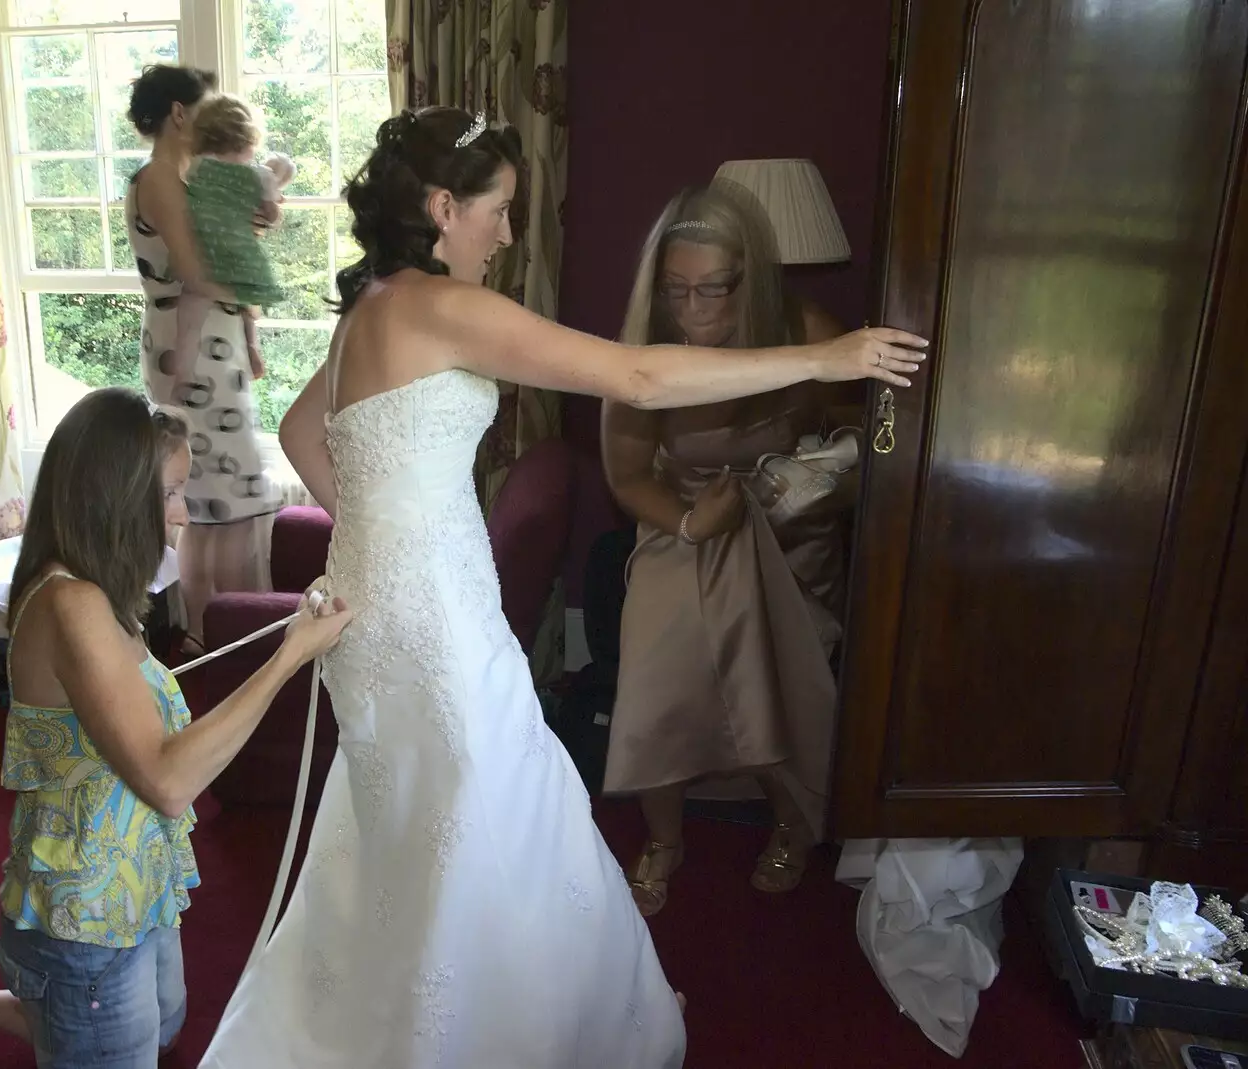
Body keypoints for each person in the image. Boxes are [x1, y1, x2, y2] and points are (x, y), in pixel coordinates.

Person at [198, 107, 924, 1067]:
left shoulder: (372, 305)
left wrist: (382, 534)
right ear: (441, 206)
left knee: (416, 828)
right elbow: (635, 373)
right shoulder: (442, 306)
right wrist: (827, 357)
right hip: (438, 627)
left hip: (374, 618)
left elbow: (301, 436)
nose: (507, 233)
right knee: (488, 820)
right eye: (496, 211)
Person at [0, 387, 350, 1068]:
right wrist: (291, 654)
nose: (182, 514)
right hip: (87, 920)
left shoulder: (97, 590)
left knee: (156, 1027)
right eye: (170, 493)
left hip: (130, 888)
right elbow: (169, 780)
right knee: (103, 1030)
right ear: (117, 496)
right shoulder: (73, 602)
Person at [600, 181, 860, 913]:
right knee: (657, 665)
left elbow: (864, 437)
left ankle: (790, 815)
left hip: (787, 537)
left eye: (712, 289)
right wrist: (687, 525)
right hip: (682, 524)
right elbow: (626, 476)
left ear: (752, 279)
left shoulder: (805, 329)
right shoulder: (643, 354)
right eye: (676, 291)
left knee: (766, 674)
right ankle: (664, 836)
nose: (693, 310)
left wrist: (822, 479)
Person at [124, 64, 281, 657]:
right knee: (225, 499)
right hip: (193, 358)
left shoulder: (189, 181)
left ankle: (214, 634)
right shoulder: (159, 179)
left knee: (213, 502)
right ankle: (236, 635)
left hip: (212, 352)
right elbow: (197, 274)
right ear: (179, 113)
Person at [181, 92, 296, 377]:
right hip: (239, 253)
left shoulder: (194, 169)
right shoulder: (258, 176)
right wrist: (274, 207)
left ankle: (182, 363)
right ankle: (252, 348)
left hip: (204, 249)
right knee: (247, 304)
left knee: (191, 307)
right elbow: (270, 216)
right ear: (246, 140)